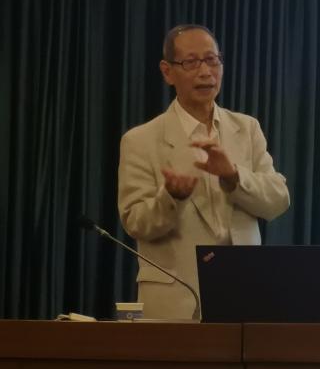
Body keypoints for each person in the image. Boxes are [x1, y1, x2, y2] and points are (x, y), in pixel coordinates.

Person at [117, 24, 290, 319]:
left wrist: (233, 176)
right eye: (191, 62)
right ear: (167, 72)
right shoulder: (140, 140)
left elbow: (278, 200)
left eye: (212, 60)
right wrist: (171, 197)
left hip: (243, 294)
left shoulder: (247, 129)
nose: (205, 72)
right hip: (174, 302)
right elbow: (135, 222)